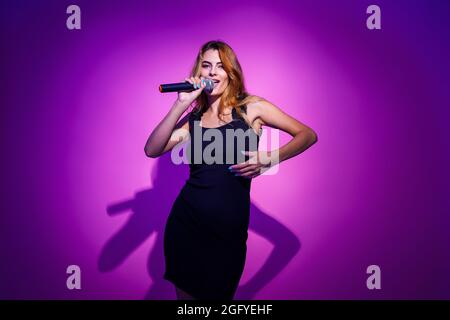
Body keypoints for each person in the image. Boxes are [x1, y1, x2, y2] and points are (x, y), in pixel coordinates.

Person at [144, 40, 318, 300]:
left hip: (227, 235)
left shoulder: (251, 108)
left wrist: (271, 158)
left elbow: (307, 134)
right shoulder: (195, 118)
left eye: (220, 66)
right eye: (206, 65)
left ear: (230, 72)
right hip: (186, 227)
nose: (213, 72)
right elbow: (152, 149)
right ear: (198, 73)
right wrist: (181, 104)